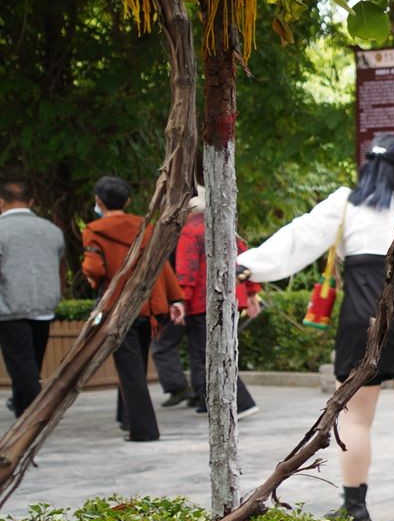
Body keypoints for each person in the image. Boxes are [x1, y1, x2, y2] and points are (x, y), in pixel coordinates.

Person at [238, 137, 394, 521]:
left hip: (364, 320)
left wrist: (250, 265)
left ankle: (355, 506)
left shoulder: (344, 204)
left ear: (368, 166)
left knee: (356, 418)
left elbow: (299, 237)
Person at [82, 176, 184, 442]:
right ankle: (126, 418)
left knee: (130, 369)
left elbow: (94, 268)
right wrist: (175, 299)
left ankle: (144, 430)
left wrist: (94, 279)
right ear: (127, 201)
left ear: (99, 201)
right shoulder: (146, 227)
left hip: (118, 305)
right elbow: (161, 265)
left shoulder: (94, 229)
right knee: (134, 364)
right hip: (149, 305)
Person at [170, 188, 261, 418]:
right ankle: (206, 401)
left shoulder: (190, 232)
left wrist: (181, 300)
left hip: (204, 302)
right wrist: (251, 294)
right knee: (211, 350)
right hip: (232, 297)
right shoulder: (226, 227)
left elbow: (187, 271)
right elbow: (245, 263)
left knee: (210, 352)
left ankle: (242, 402)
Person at [0, 181, 66, 416]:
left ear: (1, 202)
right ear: (31, 202)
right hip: (45, 306)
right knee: (31, 365)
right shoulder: (51, 230)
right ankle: (22, 410)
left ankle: (35, 414)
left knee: (22, 366)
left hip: (10, 307)